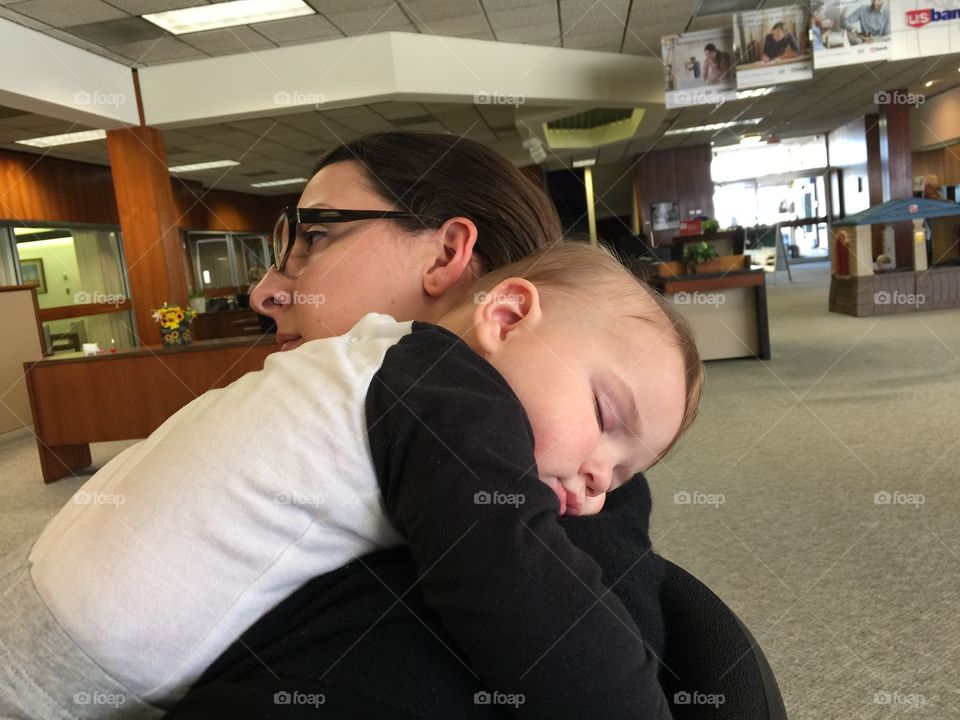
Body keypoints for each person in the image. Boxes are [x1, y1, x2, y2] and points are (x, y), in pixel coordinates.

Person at [0, 133, 697, 719]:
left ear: (450, 256)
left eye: (315, 236)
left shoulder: (370, 367)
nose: (601, 484)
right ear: (506, 315)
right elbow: (515, 589)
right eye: (605, 419)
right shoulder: (443, 392)